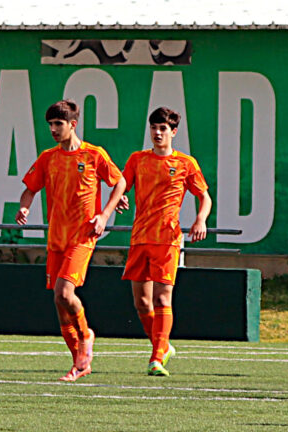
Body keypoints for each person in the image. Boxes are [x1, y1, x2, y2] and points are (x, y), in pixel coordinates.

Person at [16, 100, 126, 382]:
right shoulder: (48, 157)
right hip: (57, 238)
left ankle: (86, 335)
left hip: (82, 236)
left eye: (58, 124)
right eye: (50, 124)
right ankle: (80, 363)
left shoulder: (94, 154)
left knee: (65, 293)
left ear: (73, 125)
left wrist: (104, 214)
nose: (53, 129)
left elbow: (120, 182)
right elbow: (30, 189)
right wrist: (24, 207)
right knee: (58, 301)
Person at [116, 107, 212, 377]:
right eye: (154, 128)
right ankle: (163, 345)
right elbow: (122, 184)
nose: (157, 133)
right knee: (141, 303)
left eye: (163, 129)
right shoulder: (138, 159)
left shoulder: (186, 163)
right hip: (140, 238)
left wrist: (200, 220)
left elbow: (204, 197)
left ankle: (157, 358)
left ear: (173, 132)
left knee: (161, 297)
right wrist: (120, 197)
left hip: (167, 240)